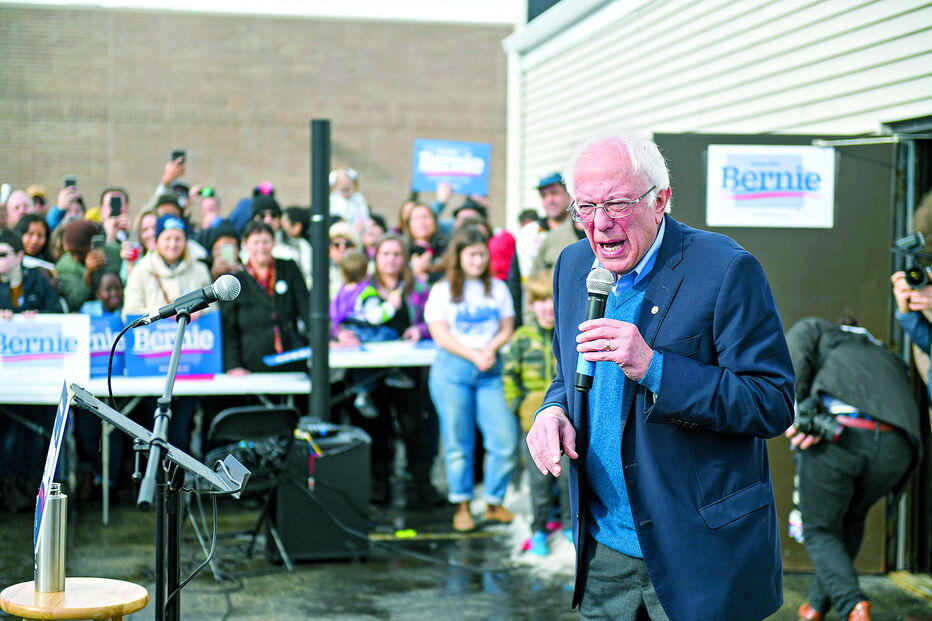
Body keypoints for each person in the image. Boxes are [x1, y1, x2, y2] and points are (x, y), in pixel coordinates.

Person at [525, 131, 794, 620]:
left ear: (661, 200)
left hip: (699, 551)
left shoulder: (726, 269)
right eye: (584, 207)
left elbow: (770, 401)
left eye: (617, 203)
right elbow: (571, 372)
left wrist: (655, 368)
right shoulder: (572, 264)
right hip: (603, 548)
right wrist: (553, 409)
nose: (599, 224)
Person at [784, 316, 920, 621]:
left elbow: (796, 346)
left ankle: (852, 605)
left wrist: (800, 409)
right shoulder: (888, 355)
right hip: (897, 449)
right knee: (850, 519)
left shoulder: (819, 329)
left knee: (819, 528)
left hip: (842, 438)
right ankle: (816, 607)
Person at [425, 226, 518, 532]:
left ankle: (494, 501)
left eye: (481, 255)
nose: (477, 261)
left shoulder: (498, 288)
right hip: (453, 370)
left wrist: (489, 349)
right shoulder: (442, 290)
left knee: (504, 439)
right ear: (459, 257)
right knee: (457, 442)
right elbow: (440, 333)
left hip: (490, 370)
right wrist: (472, 353)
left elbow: (507, 326)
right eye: (471, 255)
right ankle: (462, 504)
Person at [123, 215, 212, 452]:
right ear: (157, 240)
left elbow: (215, 306)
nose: (173, 244)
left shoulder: (199, 269)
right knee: (150, 431)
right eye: (167, 238)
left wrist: (201, 312)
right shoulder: (142, 271)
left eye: (178, 238)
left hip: (190, 365)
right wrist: (164, 315)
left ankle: (179, 486)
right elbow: (130, 312)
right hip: (152, 367)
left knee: (181, 433)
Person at [502, 270, 570, 556]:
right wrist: (517, 405)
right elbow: (508, 374)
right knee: (539, 479)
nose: (547, 307)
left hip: (566, 422)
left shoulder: (568, 332)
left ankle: (569, 525)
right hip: (531, 422)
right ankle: (538, 528)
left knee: (567, 478)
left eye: (550, 300)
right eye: (540, 300)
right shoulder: (522, 337)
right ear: (531, 305)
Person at [222, 221, 309, 374]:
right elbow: (229, 328)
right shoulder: (236, 280)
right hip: (252, 360)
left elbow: (306, 308)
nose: (261, 248)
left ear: (274, 242)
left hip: (290, 356)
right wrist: (233, 365)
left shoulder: (289, 268)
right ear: (245, 245)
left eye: (266, 242)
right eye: (255, 243)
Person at [330, 248, 403, 418]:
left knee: (361, 366)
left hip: (347, 332)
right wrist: (391, 305)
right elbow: (375, 316)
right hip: (366, 333)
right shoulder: (367, 291)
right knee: (391, 334)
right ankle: (394, 372)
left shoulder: (340, 291)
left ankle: (362, 391)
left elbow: (333, 314)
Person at [515, 172, 575, 279]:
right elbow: (515, 278)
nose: (549, 200)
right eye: (544, 195)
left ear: (568, 194)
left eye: (554, 193)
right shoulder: (528, 233)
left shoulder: (582, 228)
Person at [55, 219, 122, 311]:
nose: (75, 257)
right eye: (71, 253)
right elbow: (75, 302)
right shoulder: (65, 265)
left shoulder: (115, 253)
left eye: (79, 252)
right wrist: (88, 273)